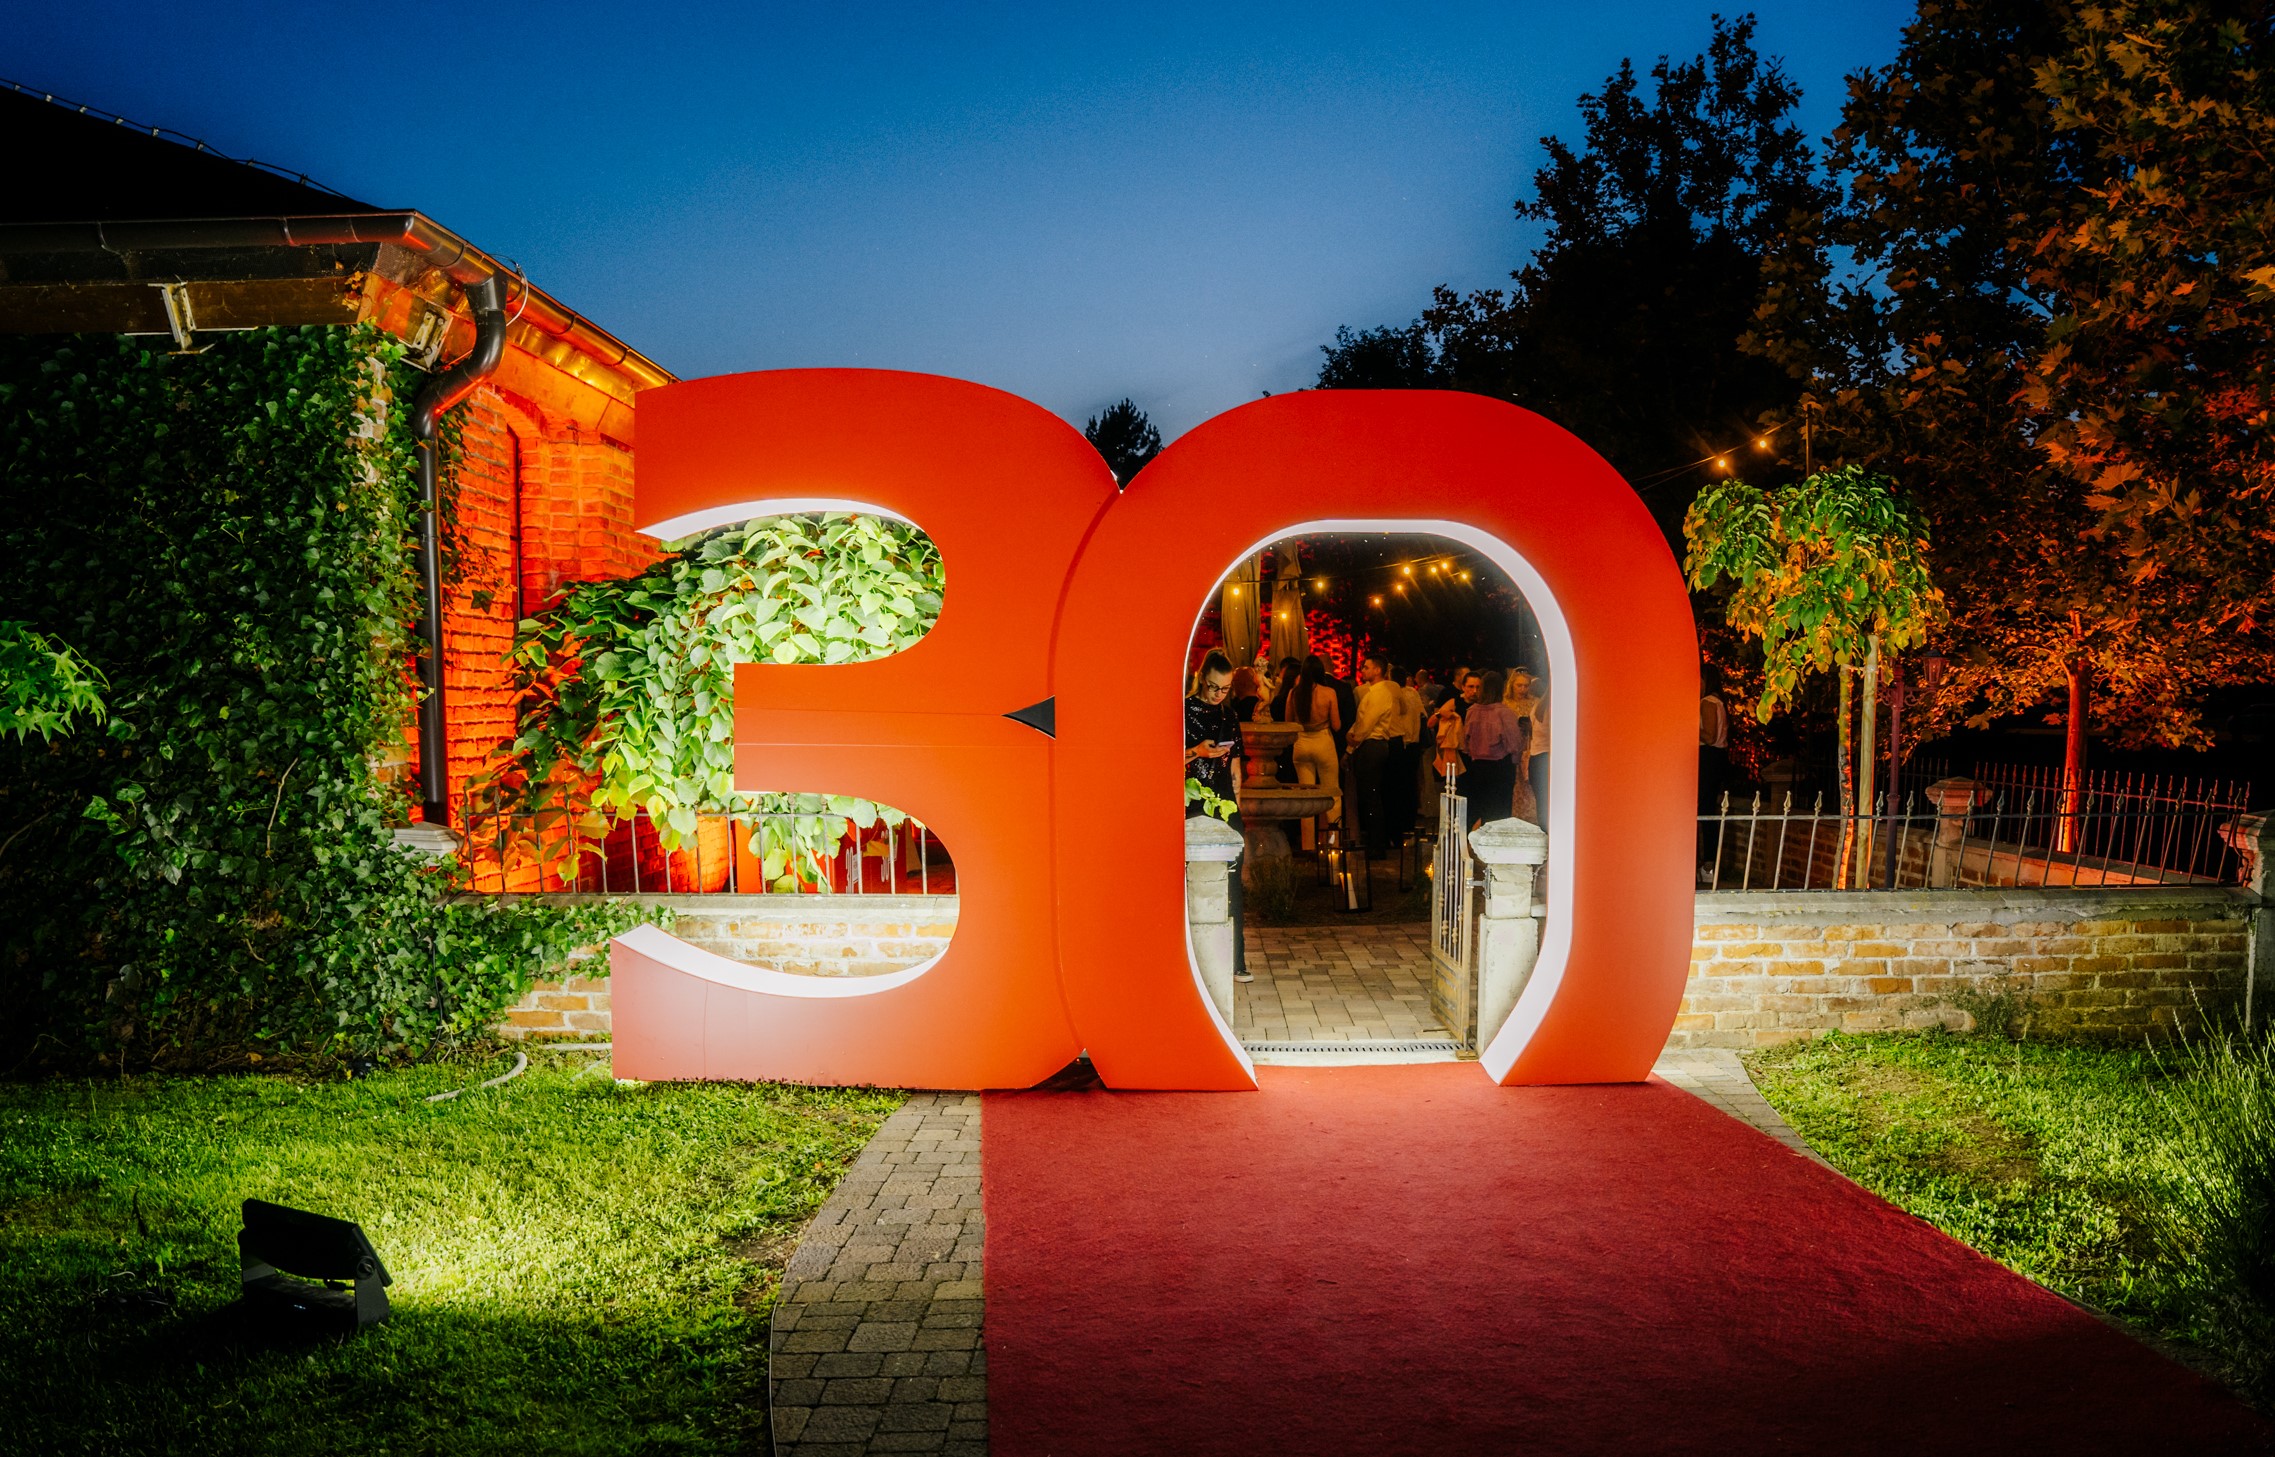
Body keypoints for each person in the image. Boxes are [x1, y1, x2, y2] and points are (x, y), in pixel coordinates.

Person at [1184, 650, 1250, 982]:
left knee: (1233, 881)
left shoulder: (1229, 715)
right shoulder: (1183, 711)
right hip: (1190, 802)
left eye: (1224, 689)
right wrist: (1197, 752)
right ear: (1201, 678)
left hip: (1224, 802)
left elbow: (1236, 767)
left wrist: (1236, 806)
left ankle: (1237, 959)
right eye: (1213, 687)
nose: (1217, 694)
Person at [1462, 668, 1529, 825]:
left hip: (1477, 765)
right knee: (1500, 812)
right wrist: (1516, 758)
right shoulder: (1504, 712)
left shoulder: (1472, 711)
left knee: (1483, 808)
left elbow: (1465, 741)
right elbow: (1514, 743)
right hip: (1500, 766)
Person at [1348, 654, 1401, 851]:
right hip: (1369, 744)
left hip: (1372, 745)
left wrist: (1353, 740)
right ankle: (1375, 842)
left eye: (1366, 667)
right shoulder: (1373, 692)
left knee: (1371, 796)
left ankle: (1376, 845)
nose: (1362, 670)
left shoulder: (1379, 693)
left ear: (1378, 670)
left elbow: (1367, 722)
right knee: (1370, 795)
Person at [1289, 655, 1341, 851]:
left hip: (1301, 743)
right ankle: (1334, 844)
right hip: (1323, 741)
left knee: (1306, 797)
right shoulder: (1329, 693)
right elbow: (1336, 725)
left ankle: (1308, 847)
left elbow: (1288, 721)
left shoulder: (1294, 693)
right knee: (1332, 793)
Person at [1699, 664, 1731, 877]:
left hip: (1709, 756)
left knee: (1704, 808)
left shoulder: (1708, 702)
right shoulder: (1719, 701)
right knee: (1706, 807)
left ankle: (1708, 863)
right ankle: (1709, 862)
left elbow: (1710, 737)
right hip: (1717, 758)